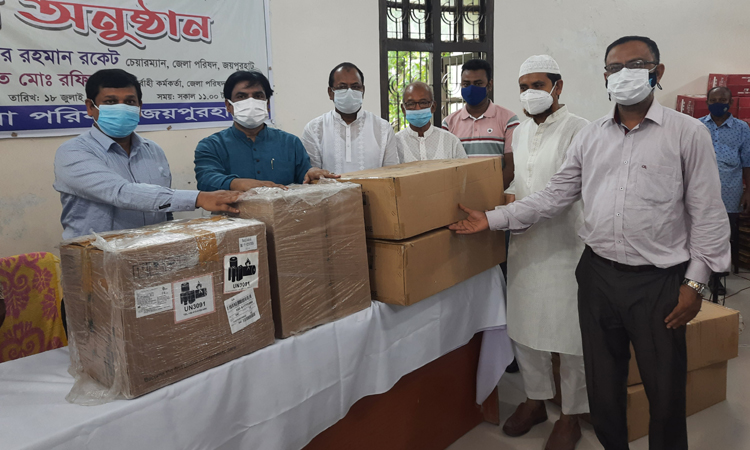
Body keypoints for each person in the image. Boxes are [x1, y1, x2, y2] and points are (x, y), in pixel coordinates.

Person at [449, 36, 730, 450]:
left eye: (636, 65)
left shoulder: (687, 133)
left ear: (657, 72)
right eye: (615, 68)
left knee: (665, 389)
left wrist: (695, 282)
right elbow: (552, 196)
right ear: (605, 77)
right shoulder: (593, 137)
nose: (624, 75)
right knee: (604, 388)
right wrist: (492, 218)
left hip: (657, 282)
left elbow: (708, 213)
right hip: (598, 275)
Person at [500, 55, 589, 450]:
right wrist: (506, 200)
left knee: (570, 334)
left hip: (566, 246)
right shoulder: (519, 132)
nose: (529, 93)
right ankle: (535, 400)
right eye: (523, 87)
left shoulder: (580, 130)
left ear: (558, 87)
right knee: (525, 327)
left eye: (537, 85)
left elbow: (565, 192)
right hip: (524, 244)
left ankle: (571, 415)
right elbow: (521, 181)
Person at [54, 69, 241, 240]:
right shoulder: (73, 152)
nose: (122, 108)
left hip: (152, 253)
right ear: (90, 107)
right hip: (95, 256)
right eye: (111, 102)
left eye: (130, 102)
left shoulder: (153, 150)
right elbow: (120, 193)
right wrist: (198, 198)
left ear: (140, 107)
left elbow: (164, 209)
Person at [195, 71, 336, 191]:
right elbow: (205, 181)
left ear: (267, 104)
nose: (250, 102)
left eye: (258, 96)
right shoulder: (211, 145)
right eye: (241, 97)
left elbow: (303, 177)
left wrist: (311, 173)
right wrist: (238, 184)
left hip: (285, 214)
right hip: (232, 215)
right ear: (228, 105)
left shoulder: (290, 142)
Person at [301, 62, 399, 174]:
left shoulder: (383, 129)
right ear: (330, 93)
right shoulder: (314, 129)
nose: (349, 92)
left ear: (363, 91)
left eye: (355, 87)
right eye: (342, 87)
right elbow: (312, 175)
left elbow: (392, 173)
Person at [442, 58, 520, 189]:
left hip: (497, 194)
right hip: (460, 194)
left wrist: (493, 192)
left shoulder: (509, 119)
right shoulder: (448, 123)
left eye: (478, 84)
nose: (471, 88)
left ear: (489, 85)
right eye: (466, 84)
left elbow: (511, 166)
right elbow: (446, 165)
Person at [701, 86, 750, 292]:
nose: (718, 103)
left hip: (729, 193)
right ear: (707, 102)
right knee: (698, 233)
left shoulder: (742, 128)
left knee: (723, 237)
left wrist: (748, 191)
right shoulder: (697, 126)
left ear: (730, 103)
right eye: (713, 100)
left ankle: (716, 278)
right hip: (700, 191)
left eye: (722, 100)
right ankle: (694, 274)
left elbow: (747, 161)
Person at [394, 81, 466, 162]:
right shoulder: (395, 143)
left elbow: (464, 169)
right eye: (411, 104)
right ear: (403, 109)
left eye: (423, 103)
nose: (417, 108)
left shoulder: (451, 141)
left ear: (433, 107)